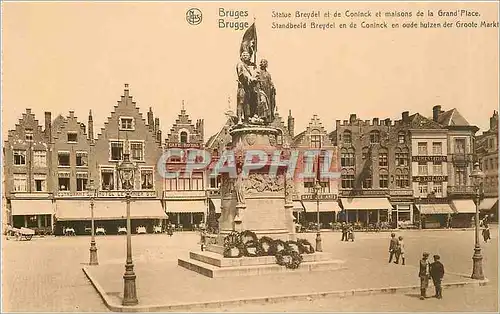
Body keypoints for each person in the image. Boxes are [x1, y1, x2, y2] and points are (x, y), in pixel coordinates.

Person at [236, 51, 258, 122]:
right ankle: (239, 119)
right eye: (244, 55)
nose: (245, 56)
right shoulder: (240, 64)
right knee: (241, 102)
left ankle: (247, 118)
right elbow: (241, 74)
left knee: (247, 103)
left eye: (247, 55)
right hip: (242, 86)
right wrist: (250, 78)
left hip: (248, 87)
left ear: (249, 57)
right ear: (241, 57)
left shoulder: (250, 67)